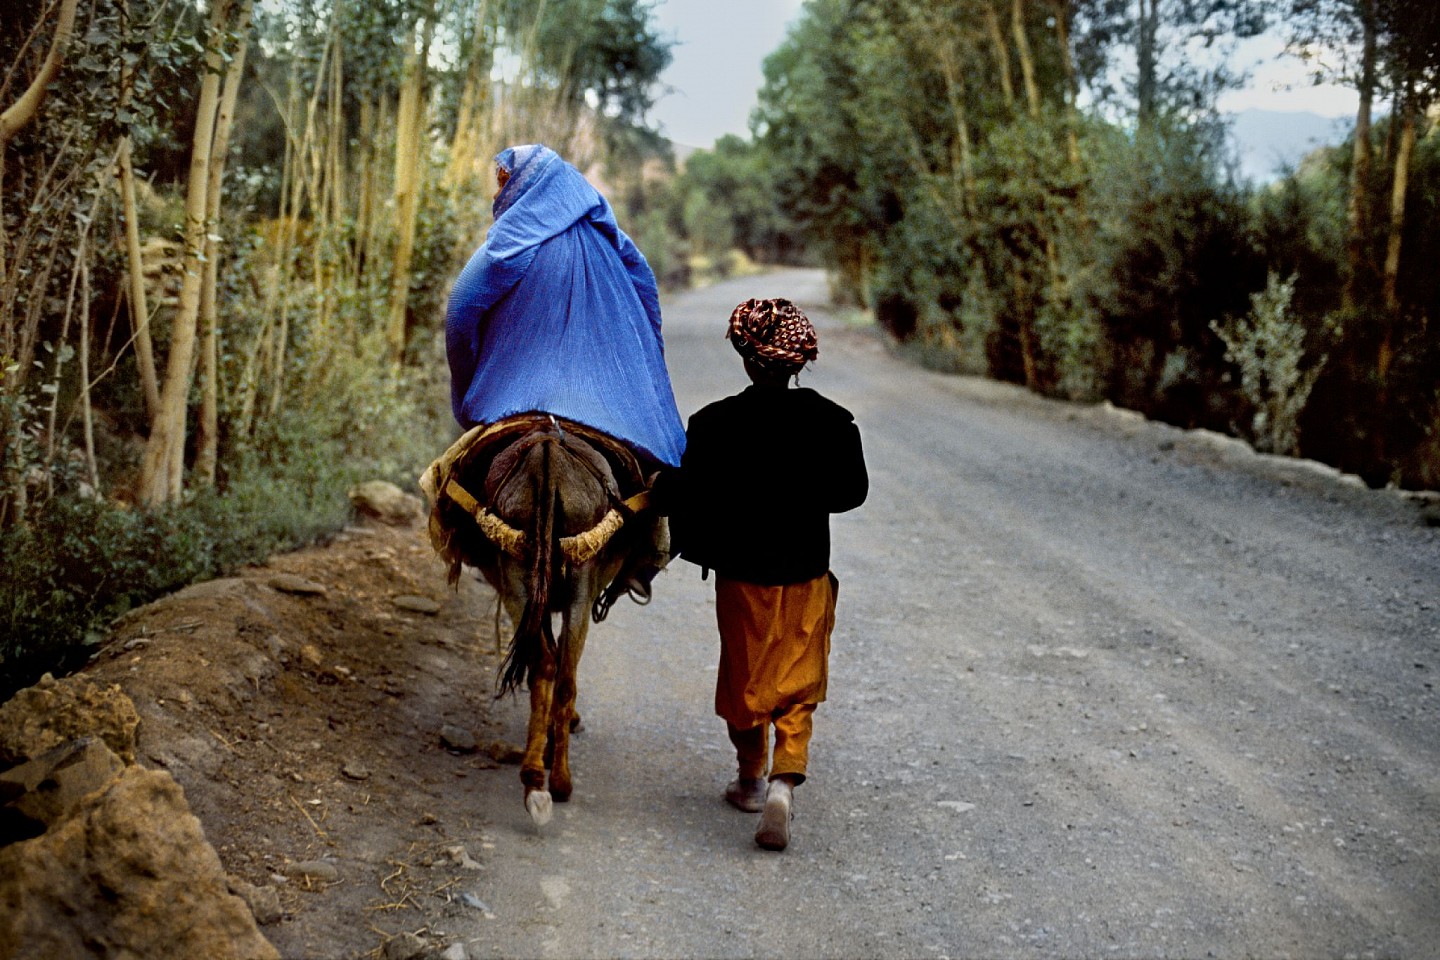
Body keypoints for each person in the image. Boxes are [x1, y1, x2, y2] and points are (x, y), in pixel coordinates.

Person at [444, 144, 683, 606]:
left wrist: (469, 385)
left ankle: (471, 548)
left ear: (521, 183)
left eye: (502, 179)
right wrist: (635, 373)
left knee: (446, 479)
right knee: (655, 480)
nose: (499, 189)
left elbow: (461, 311)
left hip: (518, 394)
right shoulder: (611, 238)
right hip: (608, 404)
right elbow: (647, 301)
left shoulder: (511, 238)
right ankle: (646, 560)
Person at [669, 298, 868, 851]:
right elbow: (852, 493)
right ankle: (785, 780)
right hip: (806, 573)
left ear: (745, 357)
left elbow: (688, 498)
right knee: (798, 682)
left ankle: (751, 778)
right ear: (797, 361)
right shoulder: (832, 422)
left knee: (745, 679)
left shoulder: (712, 425)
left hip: (742, 579)